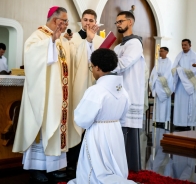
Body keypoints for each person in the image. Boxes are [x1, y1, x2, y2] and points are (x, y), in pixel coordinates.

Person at [12, 6, 76, 182]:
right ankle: (36, 167)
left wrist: (59, 41)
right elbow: (32, 58)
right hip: (44, 96)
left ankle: (54, 166)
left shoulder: (61, 39)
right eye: (64, 21)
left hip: (59, 96)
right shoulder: (38, 36)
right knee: (42, 124)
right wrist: (51, 43)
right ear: (56, 21)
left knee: (55, 127)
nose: (65, 25)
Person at [68, 48, 136, 184]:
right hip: (116, 132)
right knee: (113, 165)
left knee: (95, 170)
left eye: (91, 67)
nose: (92, 70)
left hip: (97, 133)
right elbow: (123, 117)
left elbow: (82, 119)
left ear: (98, 68)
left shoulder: (95, 91)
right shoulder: (123, 91)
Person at [66, 9, 104, 173]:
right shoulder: (72, 38)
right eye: (85, 20)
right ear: (81, 20)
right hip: (78, 87)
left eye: (91, 20)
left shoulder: (101, 40)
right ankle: (71, 162)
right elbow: (71, 60)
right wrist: (87, 41)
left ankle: (91, 161)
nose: (88, 23)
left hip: (95, 87)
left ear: (96, 22)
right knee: (76, 124)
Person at [112, 11, 145, 172]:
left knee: (128, 130)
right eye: (116, 22)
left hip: (130, 93)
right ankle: (118, 166)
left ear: (130, 22)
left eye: (121, 21)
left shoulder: (135, 44)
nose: (118, 24)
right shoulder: (119, 46)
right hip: (118, 92)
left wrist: (105, 65)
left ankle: (130, 168)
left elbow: (124, 63)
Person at [172, 39, 196, 131]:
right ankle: (179, 123)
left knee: (188, 105)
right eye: (182, 45)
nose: (183, 47)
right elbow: (174, 68)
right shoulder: (179, 55)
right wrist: (179, 70)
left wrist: (182, 70)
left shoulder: (194, 55)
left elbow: (193, 70)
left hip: (189, 84)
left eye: (185, 45)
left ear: (190, 45)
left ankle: (187, 123)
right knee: (179, 104)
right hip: (180, 85)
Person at [149, 47, 173, 128]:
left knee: (164, 105)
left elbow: (168, 75)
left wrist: (160, 79)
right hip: (157, 86)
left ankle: (163, 121)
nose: (160, 52)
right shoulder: (157, 62)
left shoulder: (169, 62)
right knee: (158, 104)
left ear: (166, 52)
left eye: (162, 51)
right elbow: (153, 73)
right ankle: (157, 120)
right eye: (159, 51)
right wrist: (156, 79)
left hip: (164, 87)